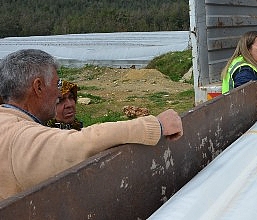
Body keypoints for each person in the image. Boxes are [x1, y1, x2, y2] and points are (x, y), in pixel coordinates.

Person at [0, 49, 183, 200]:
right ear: (38, 87)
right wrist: (156, 125)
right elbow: (81, 143)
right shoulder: (19, 138)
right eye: (56, 85)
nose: (58, 94)